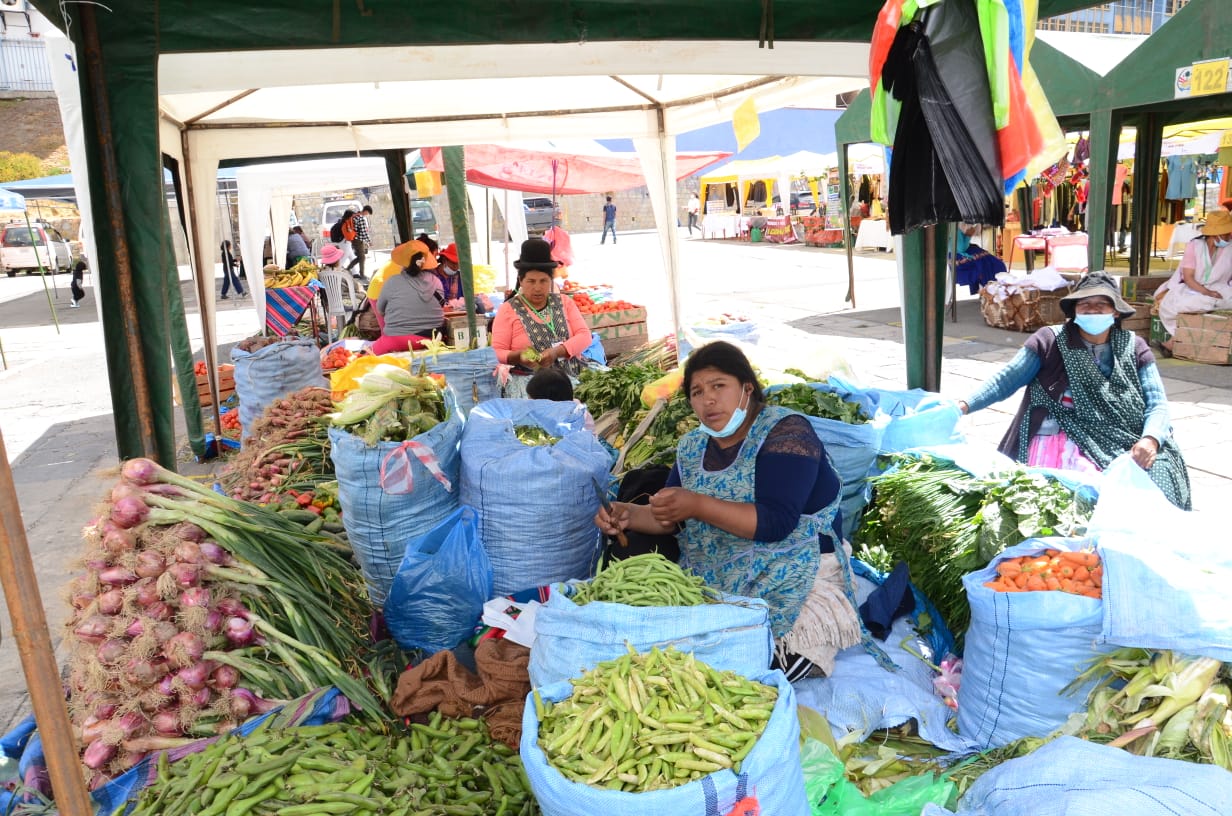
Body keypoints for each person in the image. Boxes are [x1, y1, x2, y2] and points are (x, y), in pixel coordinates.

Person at [595, 341, 859, 680]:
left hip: (795, 568)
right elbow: (670, 520)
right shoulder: (692, 446)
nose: (708, 400)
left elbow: (775, 522)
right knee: (666, 657)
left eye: (719, 386)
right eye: (697, 392)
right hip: (715, 571)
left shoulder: (786, 432)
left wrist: (698, 504)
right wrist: (628, 513)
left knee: (748, 667)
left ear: (747, 388)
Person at [959, 271, 1190, 510]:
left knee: (1159, 478)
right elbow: (1005, 380)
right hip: (1058, 433)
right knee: (1077, 497)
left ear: (1116, 312)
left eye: (1101, 305)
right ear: (1074, 311)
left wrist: (1150, 439)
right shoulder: (1049, 340)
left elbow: (1157, 403)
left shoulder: (1134, 346)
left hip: (1120, 436)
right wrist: (962, 406)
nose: (1092, 310)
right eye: (1085, 304)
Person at [491, 238, 592, 393]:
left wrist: (556, 352)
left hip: (572, 376)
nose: (537, 288)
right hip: (529, 385)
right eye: (531, 281)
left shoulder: (564, 302)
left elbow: (585, 335)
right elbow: (496, 352)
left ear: (551, 280)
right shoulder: (508, 309)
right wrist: (518, 356)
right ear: (521, 281)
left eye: (543, 281)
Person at [1154, 209, 1232, 339]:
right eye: (1226, 234)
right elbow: (1188, 278)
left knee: (1221, 298)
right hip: (1193, 289)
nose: (1229, 236)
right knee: (1175, 305)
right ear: (1215, 234)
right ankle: (1178, 338)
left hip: (1220, 288)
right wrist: (1208, 293)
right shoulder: (1195, 246)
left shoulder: (1229, 248)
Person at [371, 242, 445, 354]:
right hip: (432, 340)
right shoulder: (436, 281)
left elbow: (380, 310)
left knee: (364, 357)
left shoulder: (393, 281)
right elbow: (440, 306)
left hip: (397, 340)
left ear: (403, 262)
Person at [346, 205, 374, 282]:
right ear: (366, 211)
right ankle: (361, 274)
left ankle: (348, 269)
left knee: (360, 257)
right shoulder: (361, 218)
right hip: (358, 240)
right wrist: (369, 241)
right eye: (368, 213)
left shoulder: (355, 216)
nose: (367, 215)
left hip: (354, 239)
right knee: (362, 257)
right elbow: (363, 232)